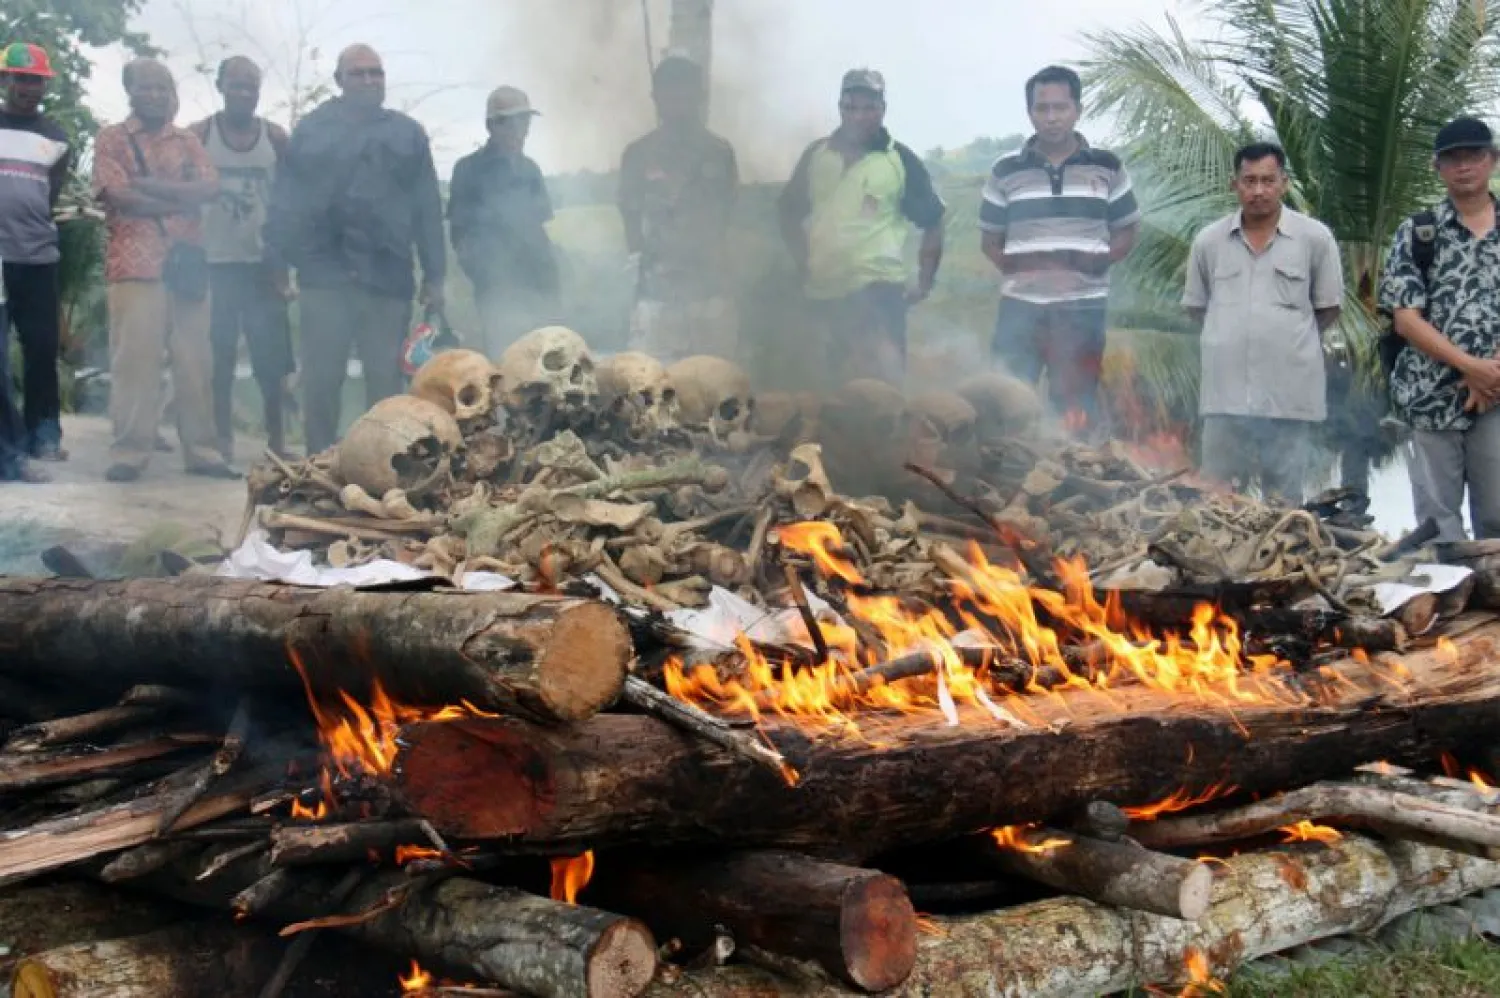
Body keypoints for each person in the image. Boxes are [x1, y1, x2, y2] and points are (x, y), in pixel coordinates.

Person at [264, 43, 446, 454]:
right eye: (358, 73)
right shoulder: (313, 131)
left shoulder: (407, 134)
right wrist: (277, 261)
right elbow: (285, 200)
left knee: (385, 382)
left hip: (387, 277)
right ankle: (318, 466)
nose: (368, 81)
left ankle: (384, 466)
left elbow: (427, 208)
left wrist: (435, 275)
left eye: (375, 73)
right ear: (339, 81)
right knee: (322, 380)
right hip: (325, 276)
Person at [92, 58, 232, 482]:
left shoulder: (187, 140)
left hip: (184, 264)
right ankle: (130, 452)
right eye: (146, 87)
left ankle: (203, 451)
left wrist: (151, 188)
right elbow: (116, 193)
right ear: (130, 91)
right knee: (136, 361)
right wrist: (179, 200)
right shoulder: (112, 139)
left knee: (195, 361)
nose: (154, 94)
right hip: (134, 264)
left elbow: (209, 187)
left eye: (162, 87)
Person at [980, 65, 1140, 430]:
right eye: (1042, 108)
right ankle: (1007, 478)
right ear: (1030, 113)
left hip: (1083, 310)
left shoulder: (1107, 166)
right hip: (1020, 309)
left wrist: (1099, 262)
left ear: (1077, 110)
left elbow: (1127, 229)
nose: (1051, 118)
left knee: (1074, 409)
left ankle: (1068, 477)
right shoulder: (1005, 171)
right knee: (1006, 402)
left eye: (1060, 108)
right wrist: (1022, 270)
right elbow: (989, 239)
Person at [1183, 142, 1343, 503]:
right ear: (1233, 184)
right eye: (1249, 180)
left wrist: (1282, 339)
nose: (1258, 191)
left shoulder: (1314, 239)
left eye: (1268, 181)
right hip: (1224, 396)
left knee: (1284, 502)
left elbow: (1328, 308)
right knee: (1216, 498)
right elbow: (1196, 308)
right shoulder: (1208, 241)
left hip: (1288, 395)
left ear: (1284, 183)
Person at [778, 69, 944, 386]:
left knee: (883, 385)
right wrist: (802, 263)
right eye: (851, 107)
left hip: (880, 290)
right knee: (829, 387)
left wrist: (924, 281)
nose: (859, 116)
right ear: (840, 108)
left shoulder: (900, 160)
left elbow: (932, 220)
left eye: (869, 108)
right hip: (824, 291)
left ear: (883, 109)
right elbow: (787, 211)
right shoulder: (817, 156)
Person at [1379, 117, 1500, 541]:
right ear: (1438, 167)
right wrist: (1470, 366)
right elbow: (1406, 318)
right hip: (1430, 396)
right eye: (1453, 158)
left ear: (1493, 159)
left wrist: (1491, 372)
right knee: (1438, 525)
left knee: (1498, 520)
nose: (1464, 166)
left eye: (1474, 155)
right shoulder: (1418, 232)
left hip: (1496, 399)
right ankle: (1448, 605)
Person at [190, 56, 293, 462]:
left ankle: (277, 442)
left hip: (261, 265)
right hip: (212, 263)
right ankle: (221, 439)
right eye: (236, 85)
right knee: (219, 356)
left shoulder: (276, 138)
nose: (244, 93)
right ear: (221, 86)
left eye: (251, 86)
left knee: (272, 360)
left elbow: (289, 202)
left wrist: (282, 262)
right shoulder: (200, 135)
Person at [619, 56, 739, 362]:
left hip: (708, 287)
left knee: (713, 380)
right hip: (656, 290)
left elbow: (727, 213)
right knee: (651, 383)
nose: (678, 103)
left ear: (699, 97)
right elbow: (629, 213)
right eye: (670, 95)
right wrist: (639, 260)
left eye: (686, 94)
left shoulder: (719, 152)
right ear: (656, 99)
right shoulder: (638, 154)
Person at [448, 86, 558, 358]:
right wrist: (487, 277)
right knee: (505, 362)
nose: (520, 130)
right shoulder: (468, 170)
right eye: (511, 122)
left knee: (543, 363)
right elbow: (460, 234)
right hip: (496, 289)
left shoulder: (530, 169)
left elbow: (538, 226)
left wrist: (551, 279)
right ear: (492, 126)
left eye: (525, 121)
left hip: (538, 285)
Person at [0, 41, 70, 464]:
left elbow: (51, 194)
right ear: (4, 79)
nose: (29, 88)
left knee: (42, 348)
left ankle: (44, 432)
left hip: (37, 257)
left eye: (37, 81)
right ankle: (8, 443)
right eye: (22, 79)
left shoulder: (56, 137)